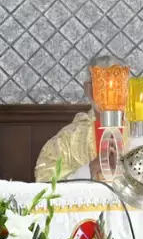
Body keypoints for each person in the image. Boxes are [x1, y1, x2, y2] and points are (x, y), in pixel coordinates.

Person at [33, 53, 119, 182]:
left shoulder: (141, 134)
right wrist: (90, 168)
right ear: (88, 89)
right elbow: (45, 178)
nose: (109, 92)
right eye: (101, 84)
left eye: (116, 85)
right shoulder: (67, 139)